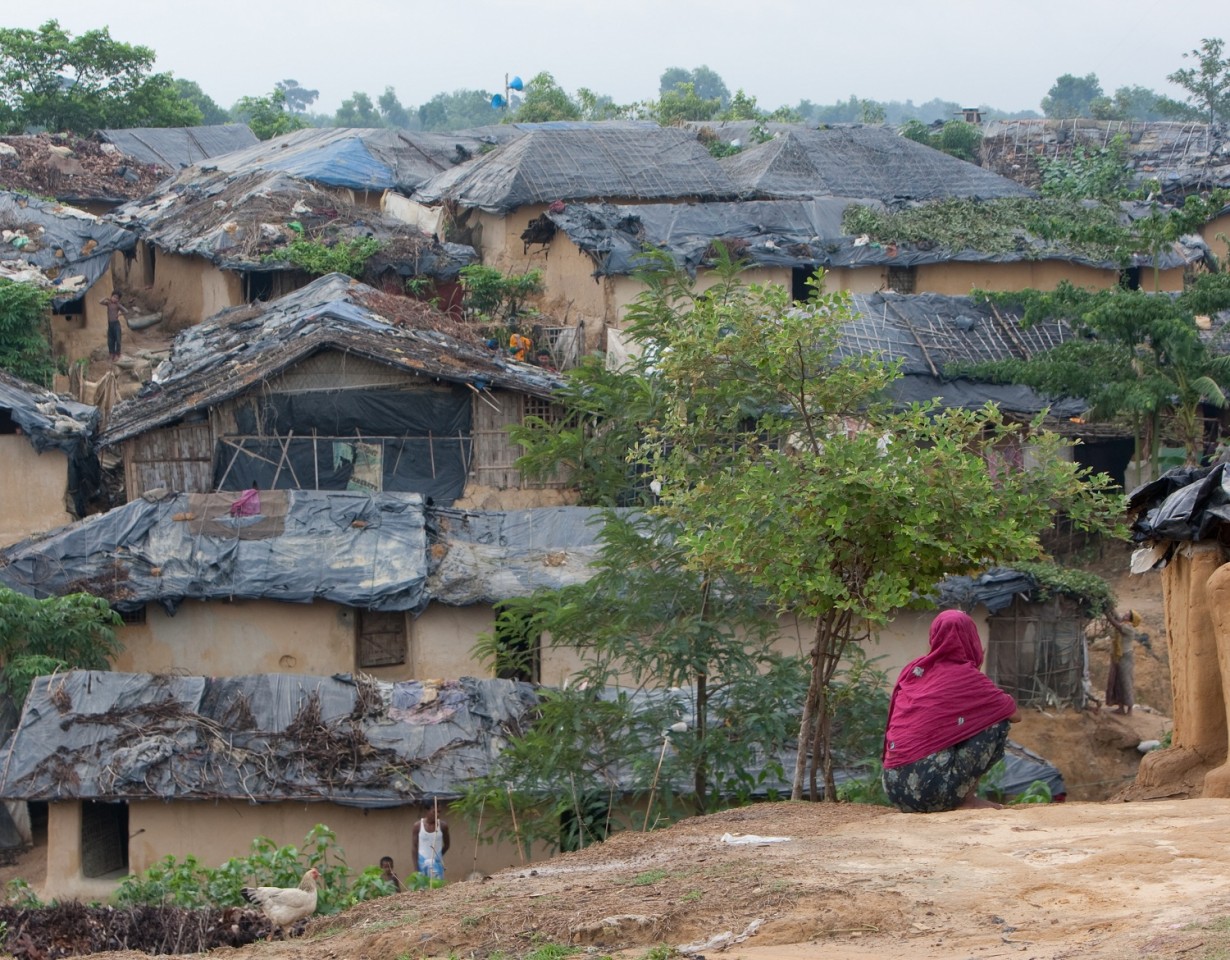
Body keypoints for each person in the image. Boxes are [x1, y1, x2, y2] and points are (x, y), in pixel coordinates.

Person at [882, 609, 1022, 812]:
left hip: (894, 789)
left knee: (965, 721)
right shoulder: (967, 676)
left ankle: (958, 795)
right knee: (995, 719)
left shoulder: (913, 671)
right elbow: (1014, 715)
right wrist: (1000, 701)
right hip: (932, 793)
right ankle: (967, 799)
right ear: (970, 638)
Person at [1105, 609, 1147, 715]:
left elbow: (1115, 624)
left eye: (1127, 616)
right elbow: (1117, 617)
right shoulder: (1124, 624)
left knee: (1126, 681)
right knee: (1117, 681)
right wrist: (1110, 607)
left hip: (1125, 657)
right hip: (1118, 656)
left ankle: (1129, 709)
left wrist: (1106, 612)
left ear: (1131, 620)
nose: (1124, 615)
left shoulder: (1129, 628)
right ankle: (1120, 707)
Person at [412, 808, 449, 881]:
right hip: (422, 863)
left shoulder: (443, 826)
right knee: (423, 888)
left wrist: (437, 857)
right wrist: (416, 868)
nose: (437, 815)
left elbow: (447, 845)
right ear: (427, 811)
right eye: (434, 812)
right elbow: (414, 847)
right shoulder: (418, 826)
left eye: (439, 812)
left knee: (437, 887)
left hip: (437, 865)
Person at [99, 292, 128, 361]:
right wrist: (106, 298)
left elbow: (126, 311)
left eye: (117, 298)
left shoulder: (118, 305)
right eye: (114, 297)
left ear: (118, 300)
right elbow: (100, 302)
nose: (115, 299)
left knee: (118, 340)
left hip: (116, 324)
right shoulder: (108, 303)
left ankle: (117, 354)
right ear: (111, 296)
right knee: (110, 340)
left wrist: (119, 314)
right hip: (110, 324)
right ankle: (111, 353)